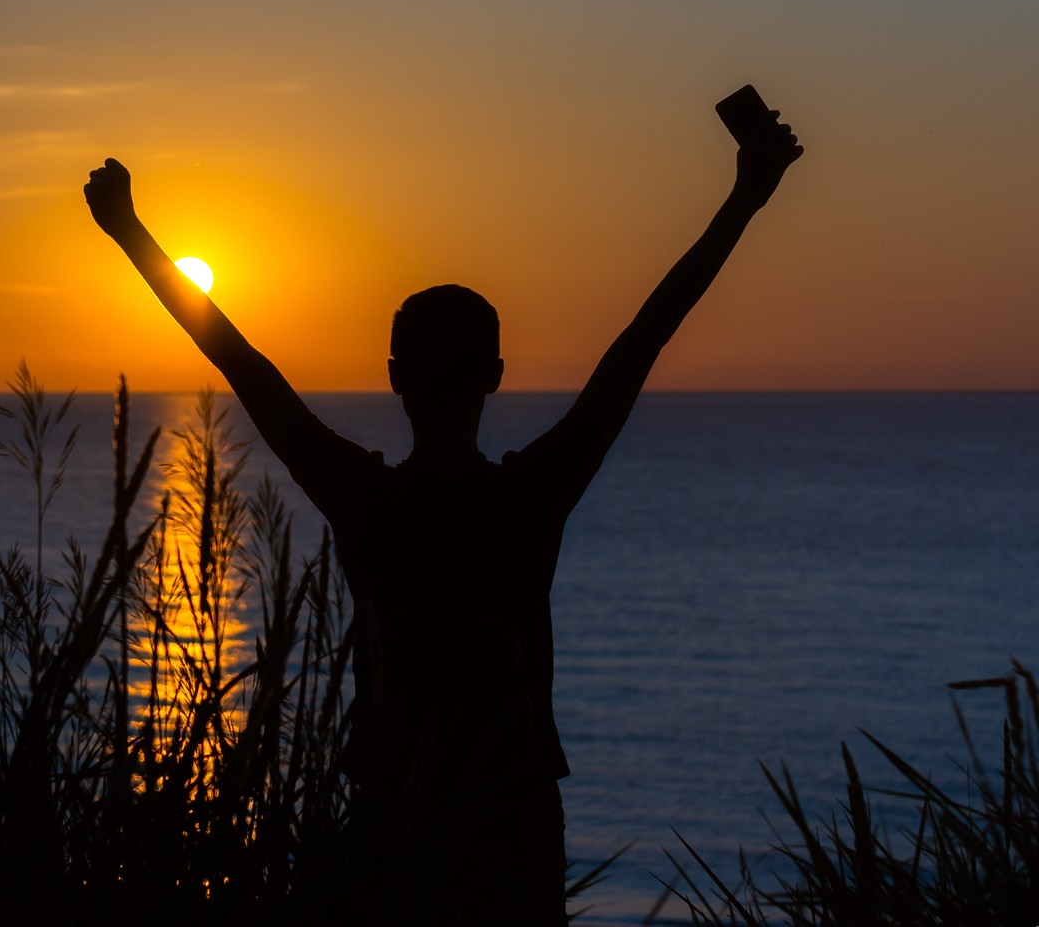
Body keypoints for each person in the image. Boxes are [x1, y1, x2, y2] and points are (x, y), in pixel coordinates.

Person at [84, 105, 802, 923]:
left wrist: (131, 232)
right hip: (515, 819)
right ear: (496, 374)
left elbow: (237, 358)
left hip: (398, 816)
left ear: (394, 375)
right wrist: (744, 199)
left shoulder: (368, 501)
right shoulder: (528, 499)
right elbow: (645, 338)